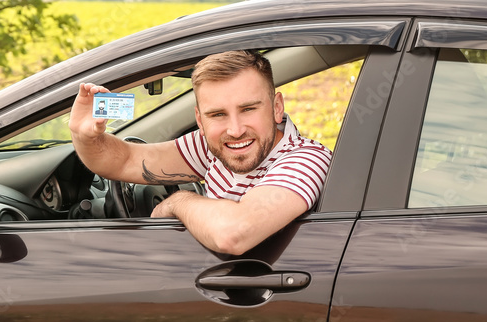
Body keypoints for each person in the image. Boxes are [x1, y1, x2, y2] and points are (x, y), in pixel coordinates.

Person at [68, 49, 332, 255]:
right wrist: (84, 135)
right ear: (200, 119)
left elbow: (234, 233)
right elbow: (123, 160)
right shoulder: (210, 147)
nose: (236, 130)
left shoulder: (306, 159)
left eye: (249, 109)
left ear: (276, 108)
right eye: (217, 114)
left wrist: (176, 202)